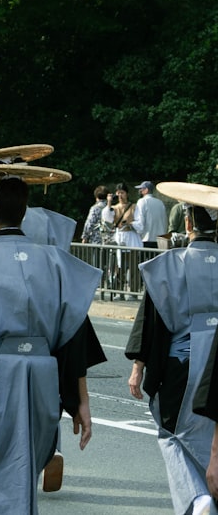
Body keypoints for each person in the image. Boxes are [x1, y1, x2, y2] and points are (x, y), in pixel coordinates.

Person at [0, 159, 105, 515]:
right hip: (41, 387)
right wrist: (79, 400)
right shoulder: (57, 263)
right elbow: (72, 333)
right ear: (23, 211)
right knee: (17, 477)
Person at [126, 181, 218, 515]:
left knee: (171, 435)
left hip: (184, 360)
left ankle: (197, 496)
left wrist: (138, 366)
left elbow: (151, 320)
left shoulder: (168, 265)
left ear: (188, 223)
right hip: (217, 363)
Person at [136, 180, 169, 249]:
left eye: (141, 189)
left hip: (146, 239)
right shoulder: (160, 202)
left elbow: (140, 221)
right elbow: (165, 220)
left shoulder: (142, 201)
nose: (140, 191)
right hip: (160, 240)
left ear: (146, 190)